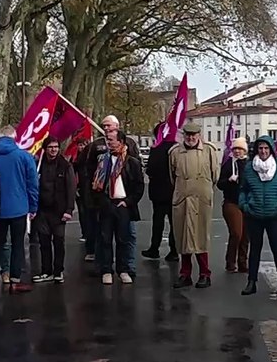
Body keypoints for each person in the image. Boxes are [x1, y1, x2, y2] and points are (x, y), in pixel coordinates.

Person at [0, 126, 40, 291]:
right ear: (15, 137)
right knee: (18, 245)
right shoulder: (24, 156)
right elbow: (32, 184)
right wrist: (33, 206)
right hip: (19, 207)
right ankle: (15, 280)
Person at [238, 136, 277, 296]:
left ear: (272, 150)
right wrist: (245, 206)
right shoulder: (249, 167)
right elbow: (243, 189)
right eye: (260, 148)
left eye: (266, 148)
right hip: (254, 214)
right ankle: (251, 281)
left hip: (276, 214)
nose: (263, 151)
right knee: (254, 249)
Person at [169, 122, 218, 288]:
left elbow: (214, 176)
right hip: (183, 199)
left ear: (199, 135)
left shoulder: (209, 151)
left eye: (194, 135)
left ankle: (205, 273)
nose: (190, 138)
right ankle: (185, 274)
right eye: (187, 135)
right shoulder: (175, 152)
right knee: (183, 237)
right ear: (183, 135)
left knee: (201, 237)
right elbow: (172, 176)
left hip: (201, 200)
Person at [92, 132, 144, 285]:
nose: (108, 143)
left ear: (121, 142)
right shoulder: (103, 160)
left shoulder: (131, 162)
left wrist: (128, 202)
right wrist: (101, 201)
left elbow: (139, 186)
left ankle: (123, 270)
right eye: (107, 140)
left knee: (124, 239)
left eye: (111, 140)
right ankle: (107, 270)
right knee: (105, 239)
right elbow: (95, 183)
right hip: (107, 204)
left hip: (123, 205)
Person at [33, 137, 75, 284]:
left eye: (56, 147)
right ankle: (46, 271)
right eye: (50, 147)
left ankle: (58, 271)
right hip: (42, 210)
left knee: (58, 241)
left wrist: (69, 209)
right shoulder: (38, 164)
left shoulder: (65, 166)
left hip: (59, 210)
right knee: (44, 242)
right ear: (45, 148)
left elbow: (71, 189)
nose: (53, 150)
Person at [142, 126, 178, 261]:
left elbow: (150, 169)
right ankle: (174, 250)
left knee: (158, 222)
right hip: (174, 191)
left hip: (159, 192)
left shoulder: (157, 149)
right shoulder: (176, 148)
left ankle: (154, 248)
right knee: (174, 222)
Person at [218, 137, 249, 273]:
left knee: (246, 235)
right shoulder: (227, 164)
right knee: (236, 233)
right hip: (231, 202)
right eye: (235, 149)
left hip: (247, 203)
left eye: (240, 149)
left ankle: (243, 263)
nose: (237, 151)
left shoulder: (249, 164)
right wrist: (229, 180)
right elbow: (219, 184)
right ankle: (230, 262)